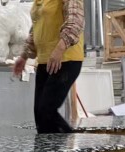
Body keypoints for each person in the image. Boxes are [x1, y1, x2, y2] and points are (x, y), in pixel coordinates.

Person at [13, 0, 84, 134]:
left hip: (65, 59)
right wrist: (24, 56)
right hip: (44, 61)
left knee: (46, 110)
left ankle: (71, 145)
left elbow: (75, 22)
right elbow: (36, 29)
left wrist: (59, 50)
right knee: (40, 115)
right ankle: (47, 147)